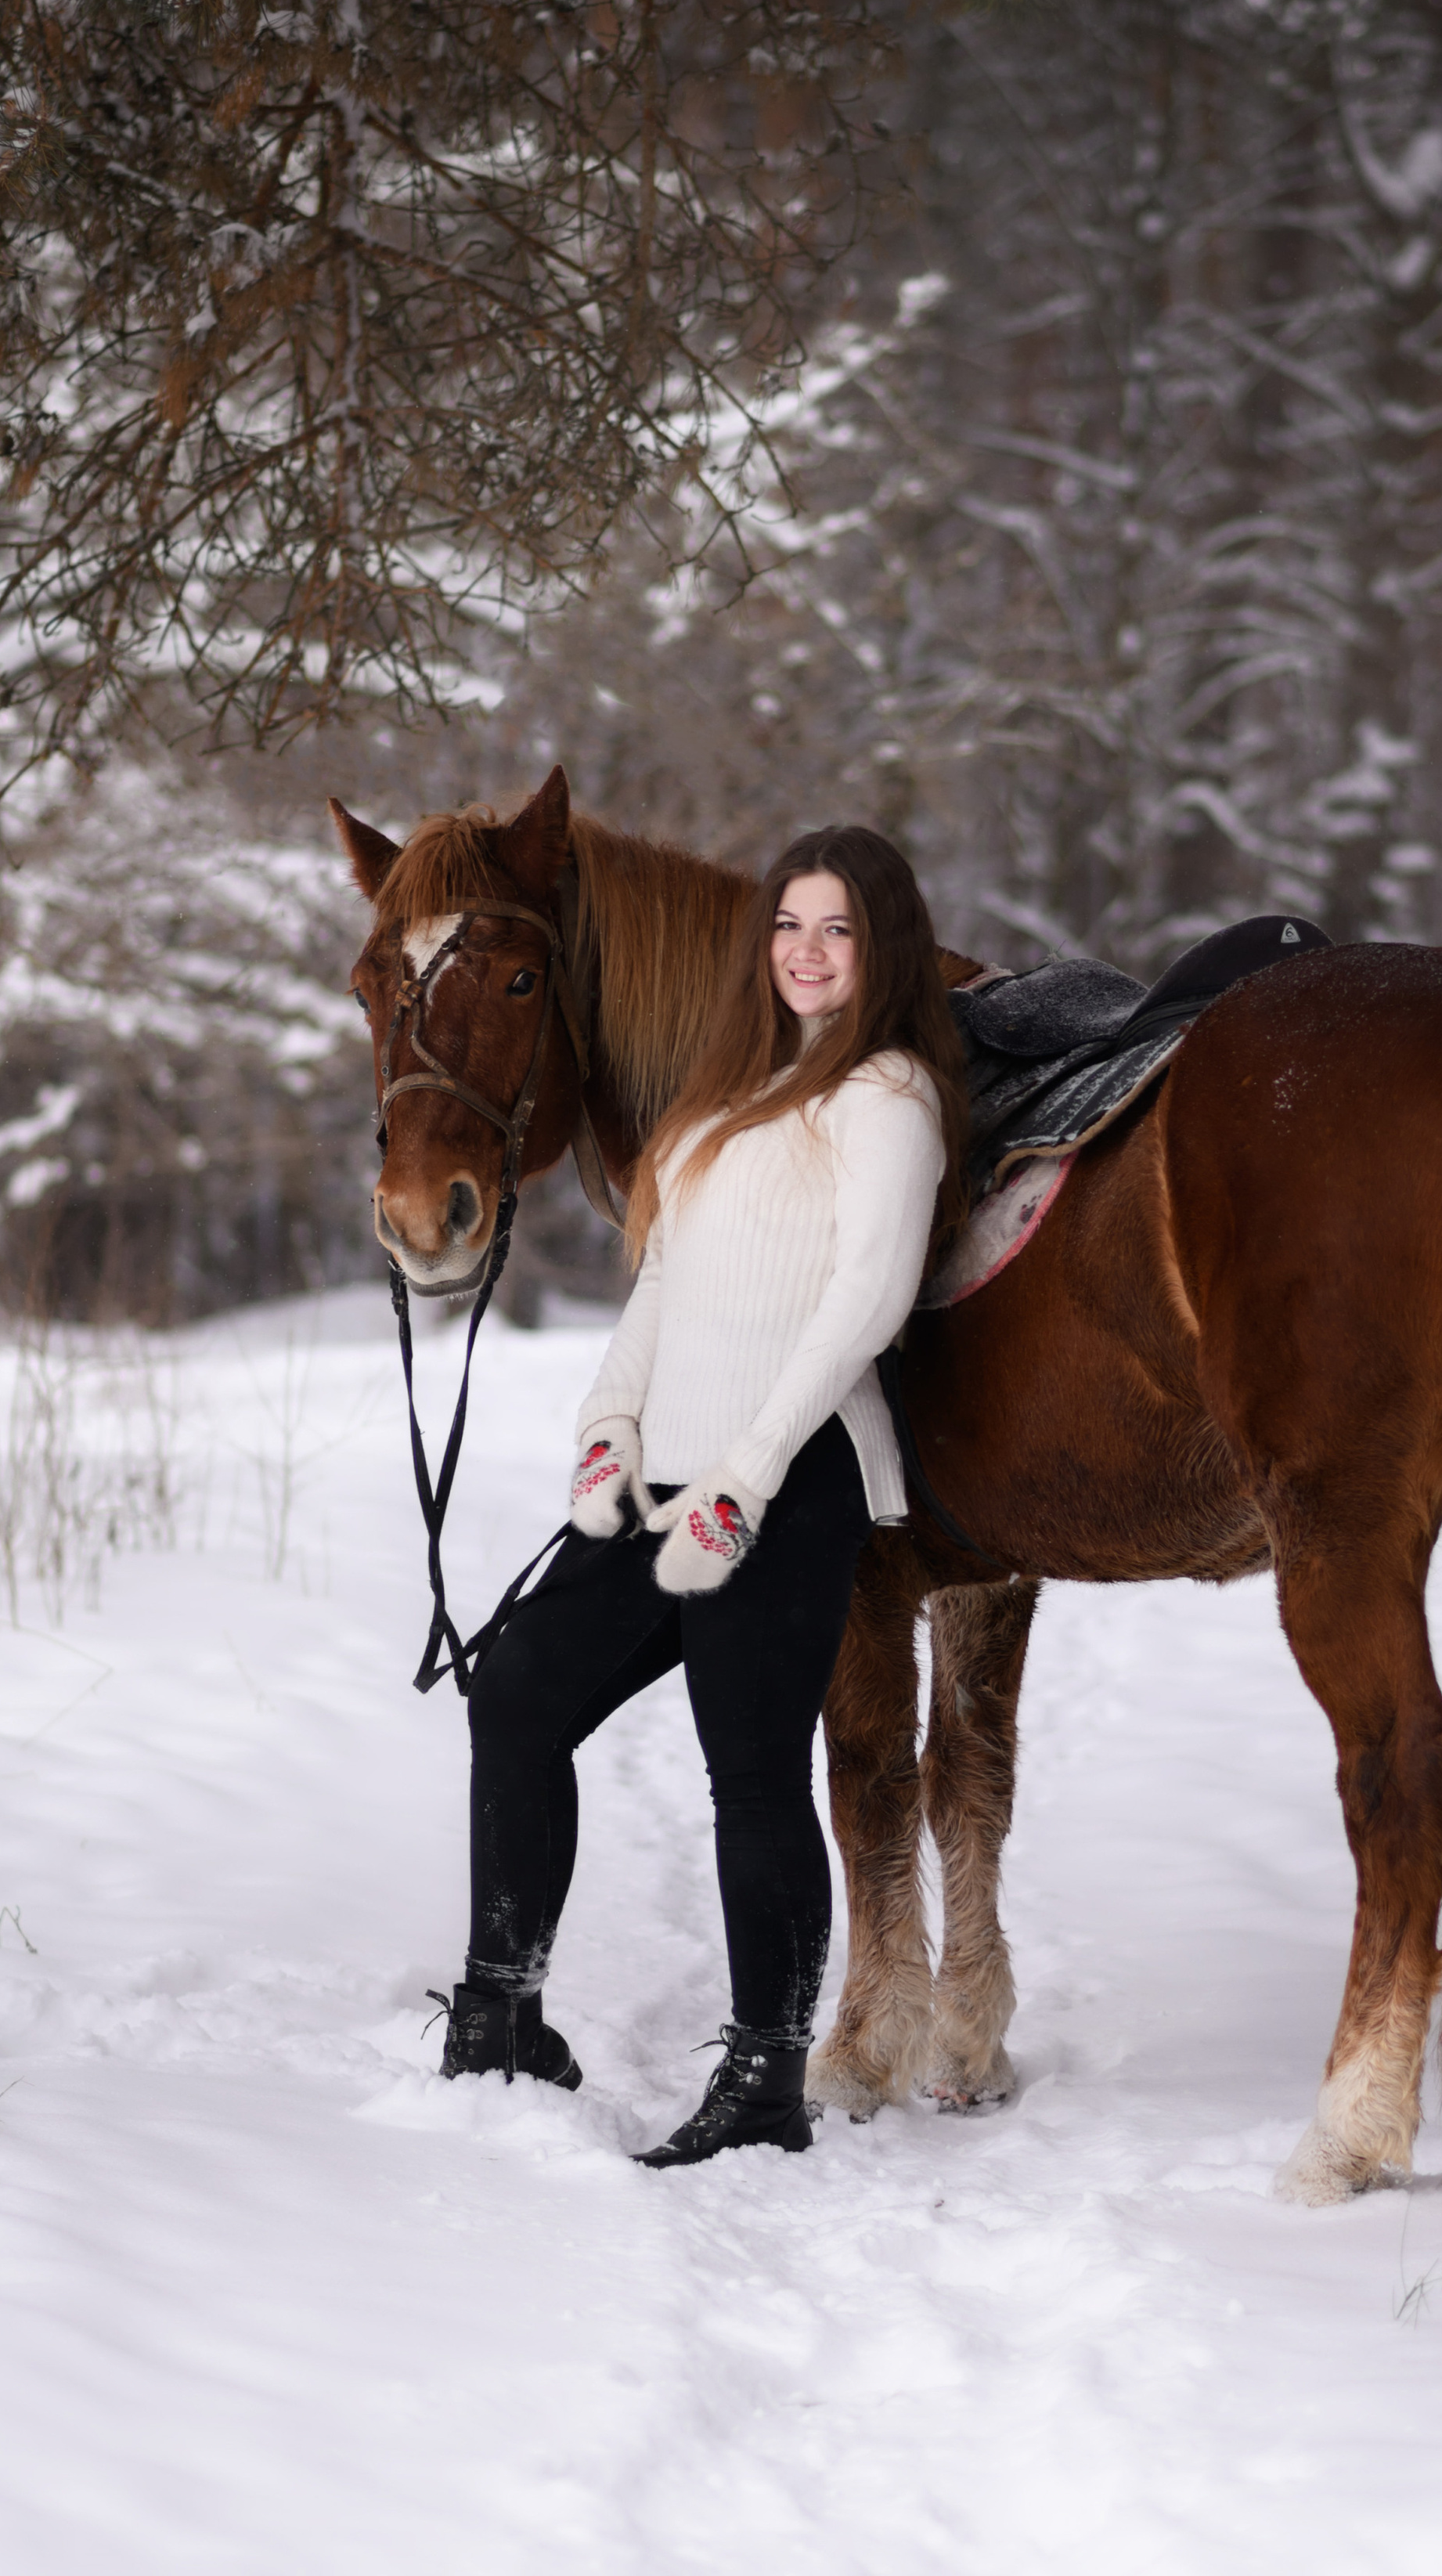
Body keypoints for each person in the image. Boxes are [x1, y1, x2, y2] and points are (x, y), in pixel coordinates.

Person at [431, 824, 967, 2166]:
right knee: (517, 1694)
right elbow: (665, 1280)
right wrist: (610, 1423)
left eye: (838, 928)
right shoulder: (729, 1096)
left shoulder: (888, 1097)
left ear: (883, 946)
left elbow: (868, 1299)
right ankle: (501, 2012)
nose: (807, 951)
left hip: (789, 1475)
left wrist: (750, 1468)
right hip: (666, 1469)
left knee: (752, 1775)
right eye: (789, 924)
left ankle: (766, 2079)